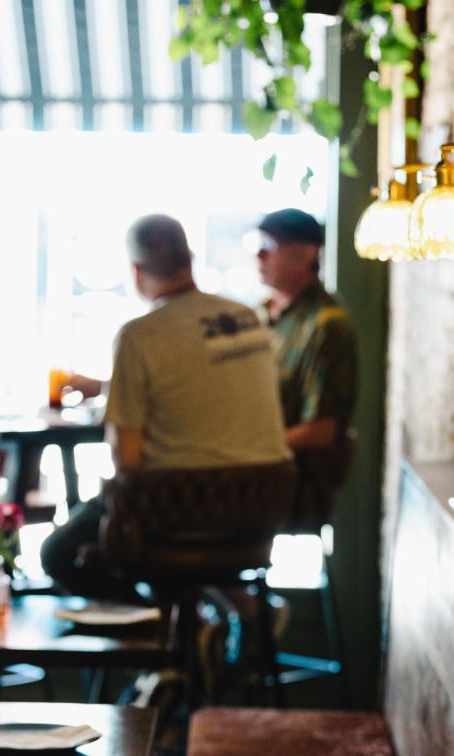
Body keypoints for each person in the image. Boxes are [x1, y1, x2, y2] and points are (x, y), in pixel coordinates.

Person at [40, 214, 289, 597]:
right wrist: (109, 386)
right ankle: (210, 618)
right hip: (258, 511)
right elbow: (204, 385)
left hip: (179, 512)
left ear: (136, 271)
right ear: (189, 258)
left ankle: (157, 633)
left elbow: (128, 459)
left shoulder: (138, 336)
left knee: (58, 553)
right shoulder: (246, 318)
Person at [257, 209, 357, 451]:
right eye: (258, 244)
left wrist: (251, 450)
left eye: (270, 245)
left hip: (293, 477)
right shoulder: (258, 313)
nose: (259, 255)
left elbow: (322, 430)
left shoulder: (326, 324)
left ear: (304, 255)